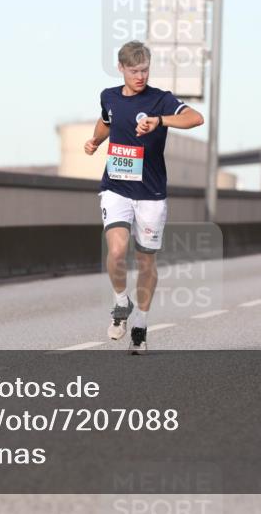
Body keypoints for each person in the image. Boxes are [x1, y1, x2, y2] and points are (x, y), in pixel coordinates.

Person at [85, 40, 204, 354]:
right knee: (116, 249)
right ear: (120, 68)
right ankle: (121, 302)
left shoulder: (160, 100)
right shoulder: (109, 96)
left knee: (146, 261)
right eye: (134, 70)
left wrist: (161, 120)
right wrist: (95, 141)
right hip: (116, 187)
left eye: (145, 70)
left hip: (150, 193)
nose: (140, 76)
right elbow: (107, 120)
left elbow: (195, 118)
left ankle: (140, 323)